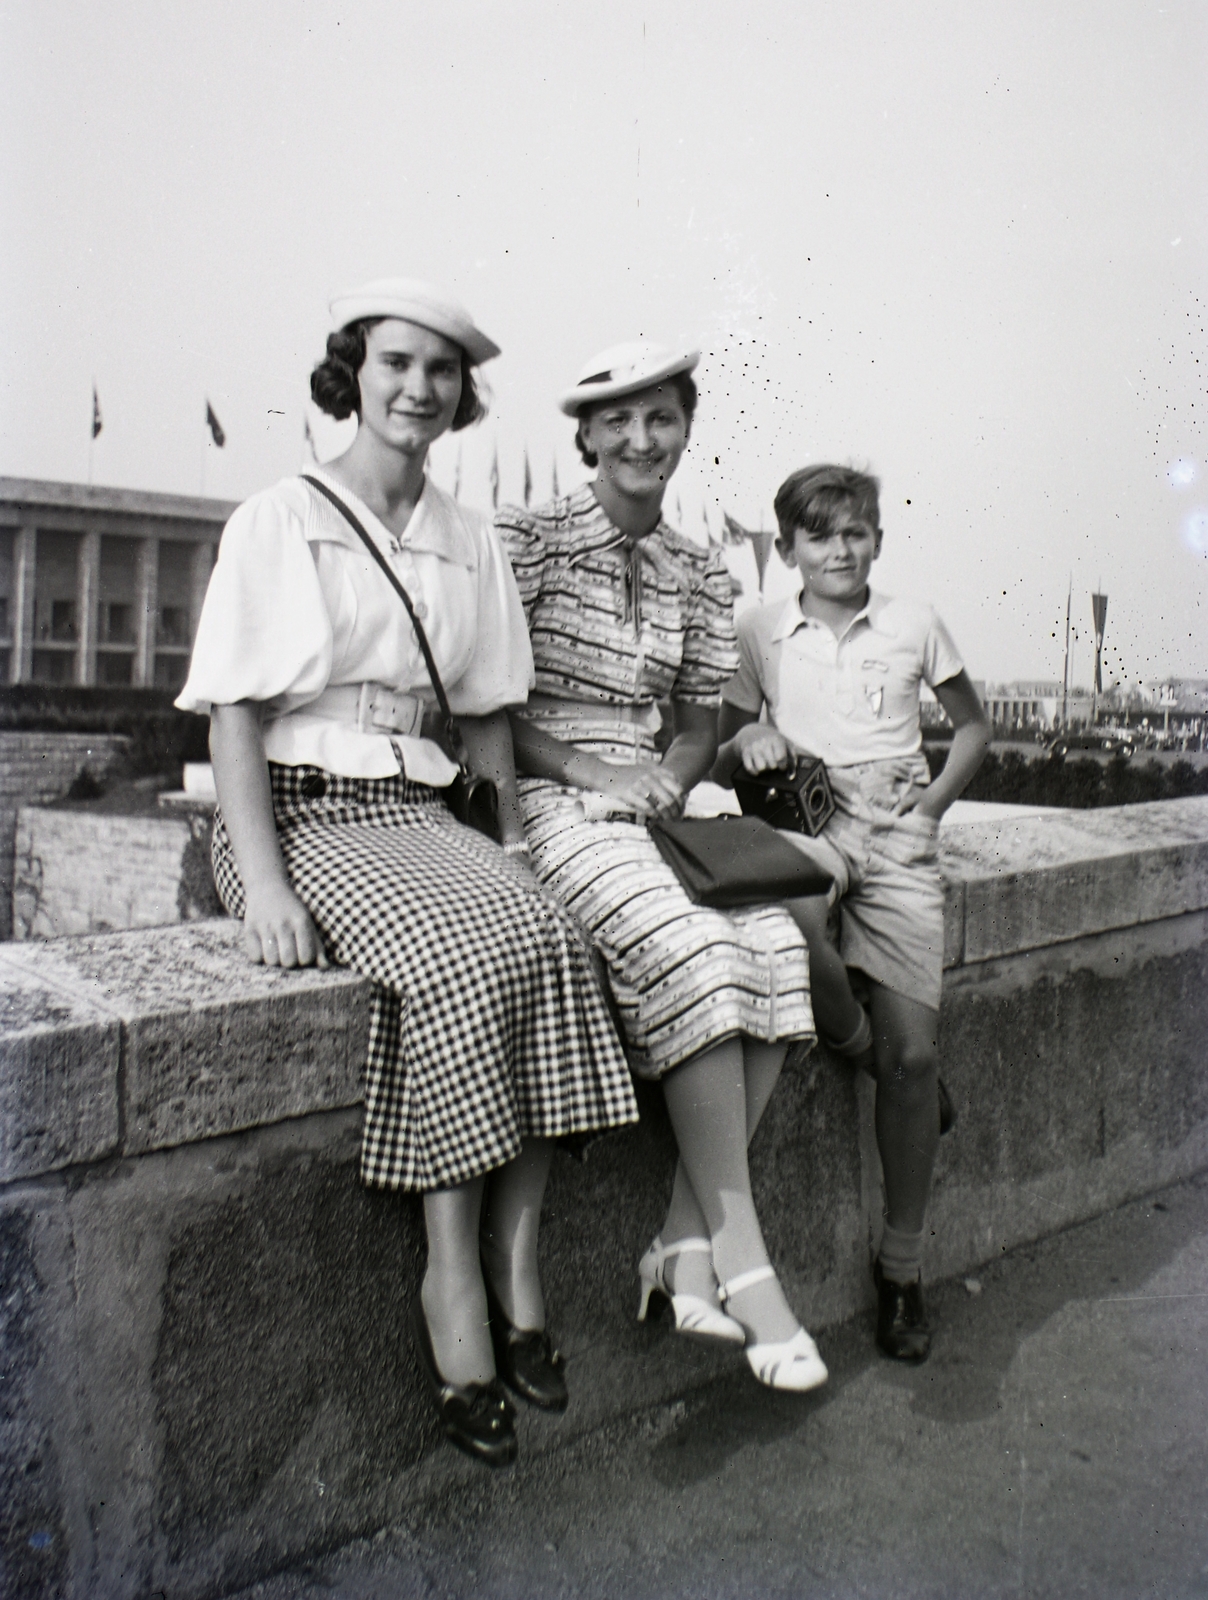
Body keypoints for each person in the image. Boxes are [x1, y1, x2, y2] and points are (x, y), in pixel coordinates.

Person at [176, 279, 637, 1467]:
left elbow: (484, 712)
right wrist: (265, 888)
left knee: (546, 935)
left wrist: (513, 849)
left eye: (439, 371)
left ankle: (516, 1264)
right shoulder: (281, 517)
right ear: (353, 372)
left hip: (418, 807)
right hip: (299, 811)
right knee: (450, 959)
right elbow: (232, 716)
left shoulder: (465, 533)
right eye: (394, 363)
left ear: (459, 393)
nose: (416, 388)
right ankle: (450, 1289)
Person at [495, 342, 827, 1393]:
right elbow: (486, 710)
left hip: (652, 804)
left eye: (662, 420)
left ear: (684, 430)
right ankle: (741, 1265)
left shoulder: (696, 566)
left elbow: (692, 725)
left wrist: (668, 778)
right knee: (698, 954)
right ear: (585, 436)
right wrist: (595, 767)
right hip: (550, 797)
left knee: (774, 948)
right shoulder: (528, 540)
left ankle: (681, 1246)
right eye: (618, 422)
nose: (641, 441)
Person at [713, 463, 990, 1362]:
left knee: (917, 1055)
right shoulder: (759, 627)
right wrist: (746, 737)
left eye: (857, 531)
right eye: (821, 534)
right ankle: (858, 1047)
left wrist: (934, 805)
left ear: (878, 538)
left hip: (898, 831)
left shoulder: (913, 623)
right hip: (810, 822)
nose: (841, 548)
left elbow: (973, 727)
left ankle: (902, 1269)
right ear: (786, 547)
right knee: (788, 906)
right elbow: (721, 754)